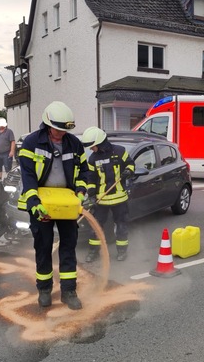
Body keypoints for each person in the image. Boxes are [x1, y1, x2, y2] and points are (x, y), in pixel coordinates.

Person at [17, 101, 89, 310]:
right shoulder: (32, 143)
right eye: (58, 130)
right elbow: (28, 174)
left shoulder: (74, 143)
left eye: (65, 130)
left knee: (68, 246)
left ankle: (68, 291)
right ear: (48, 125)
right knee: (43, 245)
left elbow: (84, 170)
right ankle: (44, 289)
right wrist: (33, 202)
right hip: (42, 203)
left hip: (66, 204)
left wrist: (81, 191)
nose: (61, 134)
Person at [81, 127, 135, 263]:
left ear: (100, 143)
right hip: (102, 199)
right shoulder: (93, 159)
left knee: (121, 226)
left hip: (119, 198)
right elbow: (91, 179)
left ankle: (122, 252)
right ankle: (94, 252)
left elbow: (131, 164)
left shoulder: (120, 151)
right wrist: (92, 195)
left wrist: (128, 171)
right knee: (96, 227)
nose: (91, 149)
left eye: (93, 147)